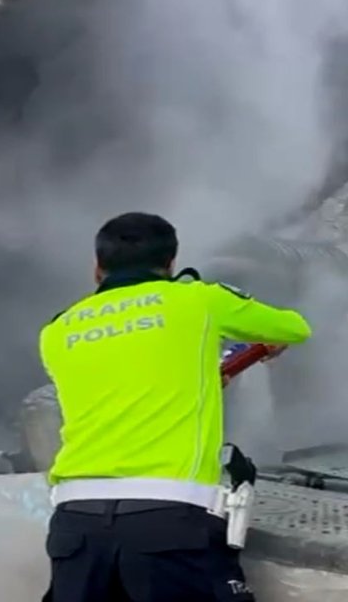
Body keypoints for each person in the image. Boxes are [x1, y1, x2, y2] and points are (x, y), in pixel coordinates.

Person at [39, 212, 312, 602]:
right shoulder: (199, 300)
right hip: (168, 521)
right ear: (170, 263)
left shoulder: (57, 330)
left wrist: (196, 376)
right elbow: (294, 327)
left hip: (75, 525)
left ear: (97, 268)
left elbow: (116, 386)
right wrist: (263, 343)